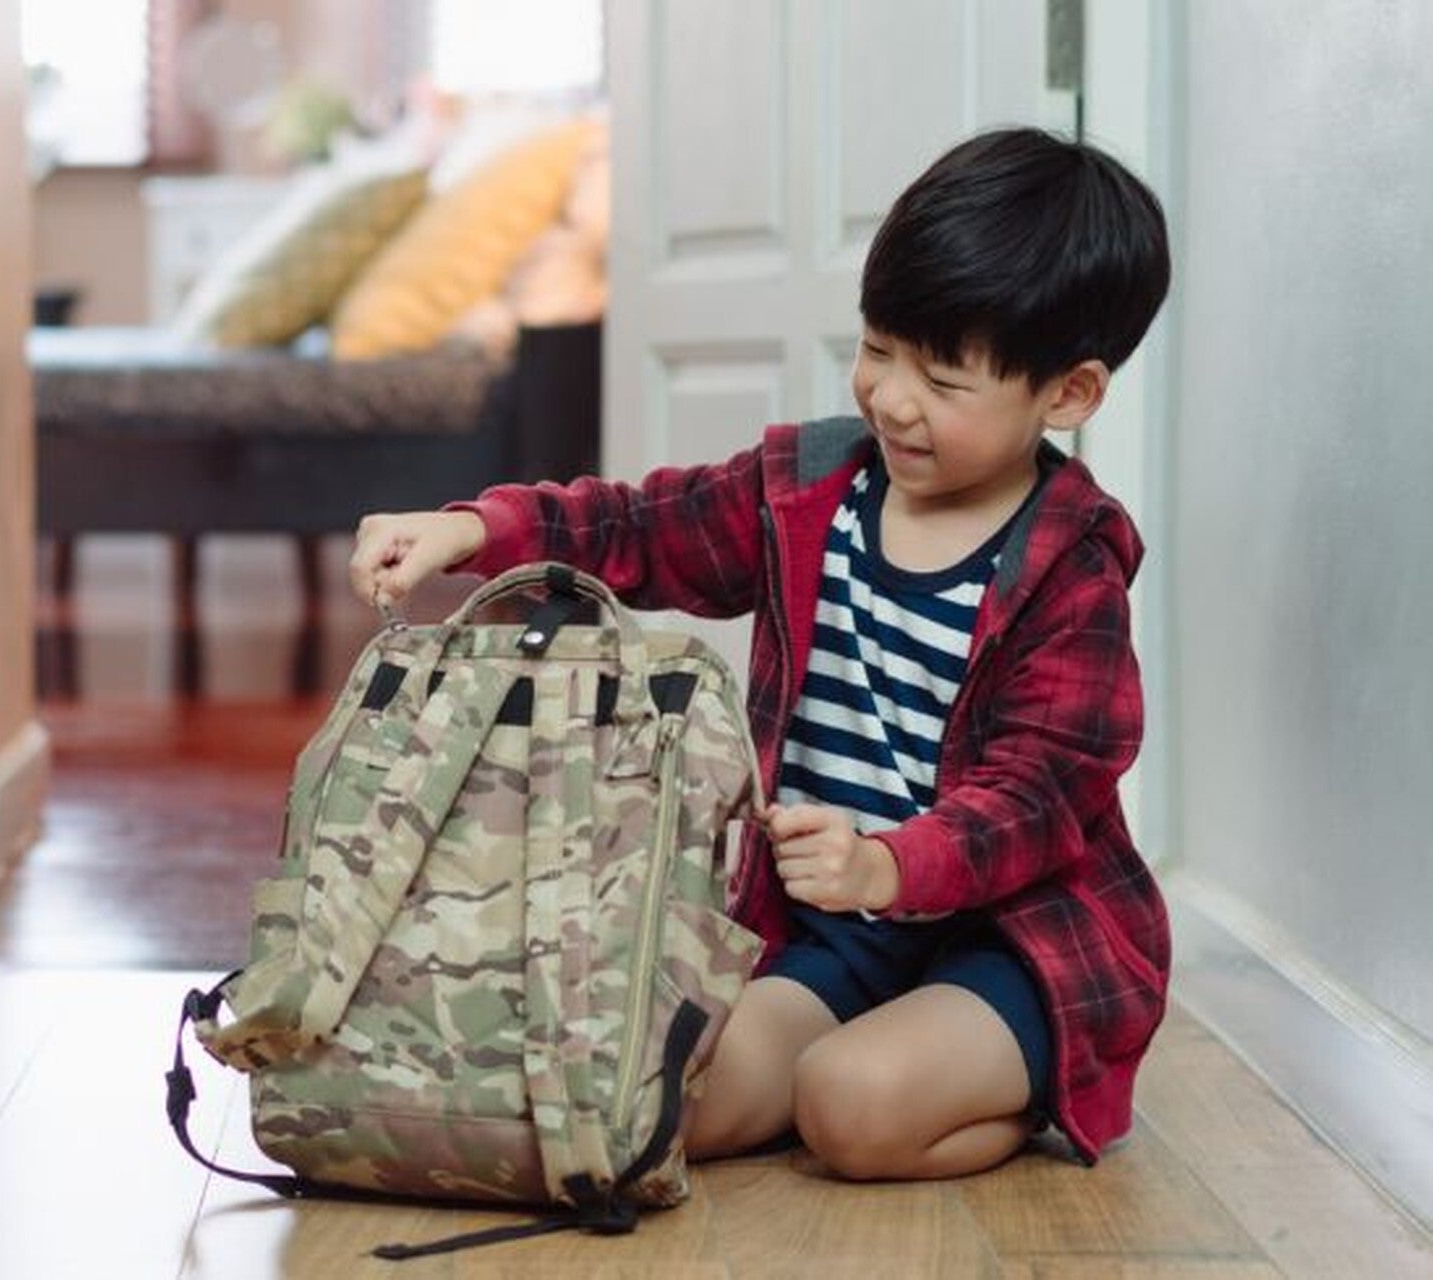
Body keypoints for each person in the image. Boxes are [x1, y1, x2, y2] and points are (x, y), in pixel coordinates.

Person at [345, 127, 1172, 1179]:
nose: (893, 398)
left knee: (848, 1105)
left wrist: (887, 860)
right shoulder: (812, 486)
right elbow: (639, 528)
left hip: (1014, 933)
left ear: (1067, 395)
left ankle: (1023, 1087)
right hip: (840, 929)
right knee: (669, 1100)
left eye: (945, 379)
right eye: (879, 348)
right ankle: (879, 1056)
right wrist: (477, 530)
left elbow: (1041, 795)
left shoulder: (1069, 564)